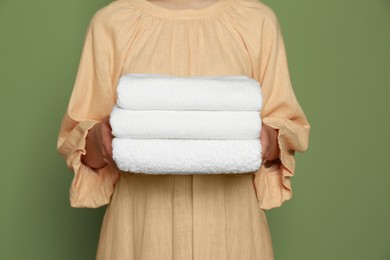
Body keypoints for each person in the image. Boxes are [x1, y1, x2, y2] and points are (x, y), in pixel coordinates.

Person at [57, 0, 311, 259]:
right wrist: (103, 141)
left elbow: (288, 130)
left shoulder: (255, 21)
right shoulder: (113, 23)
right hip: (139, 238)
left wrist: (264, 141)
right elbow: (78, 145)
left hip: (233, 239)